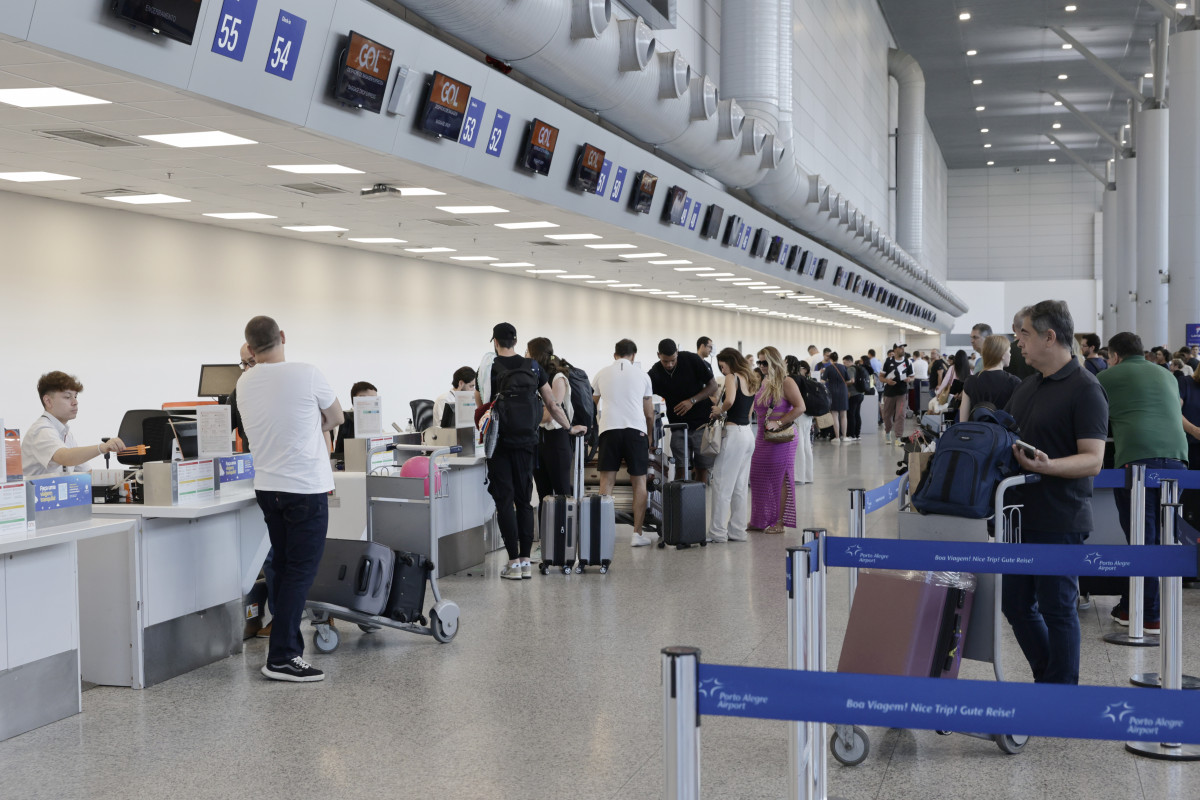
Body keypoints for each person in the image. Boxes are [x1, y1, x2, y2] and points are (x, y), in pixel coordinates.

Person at [1003, 300, 1107, 685]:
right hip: (1017, 515)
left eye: (1025, 335)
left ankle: (1061, 693)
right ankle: (1049, 680)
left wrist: (1047, 467)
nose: (1019, 345)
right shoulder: (1028, 386)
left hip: (1059, 516)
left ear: (1050, 336)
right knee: (1014, 604)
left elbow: (1092, 460)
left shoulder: (1086, 389)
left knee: (1057, 608)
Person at [236, 315, 344, 683]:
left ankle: (285, 647)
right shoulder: (307, 373)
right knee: (300, 571)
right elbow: (335, 417)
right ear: (282, 336)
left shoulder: (243, 382)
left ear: (249, 349)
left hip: (268, 488)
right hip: (304, 488)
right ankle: (282, 656)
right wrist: (313, 424)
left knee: (281, 567)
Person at [477, 323, 584, 580]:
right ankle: (526, 561)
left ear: (495, 342)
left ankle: (512, 562)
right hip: (528, 443)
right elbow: (553, 404)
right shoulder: (533, 367)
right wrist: (569, 427)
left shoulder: (489, 366)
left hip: (500, 444)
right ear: (515, 341)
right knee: (524, 501)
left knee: (505, 501)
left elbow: (484, 405)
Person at [1097, 331, 1188, 631]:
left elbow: (1090, 414)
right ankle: (1129, 606)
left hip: (1138, 460)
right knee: (1164, 539)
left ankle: (1148, 614)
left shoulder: (1109, 377)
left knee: (1140, 539)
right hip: (1177, 459)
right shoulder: (1167, 375)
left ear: (1114, 356)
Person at [592, 339, 655, 545]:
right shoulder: (643, 375)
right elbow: (649, 413)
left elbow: (591, 405)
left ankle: (602, 534)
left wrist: (594, 429)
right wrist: (650, 436)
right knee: (639, 482)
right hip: (636, 431)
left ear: (615, 354)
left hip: (609, 430)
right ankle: (637, 534)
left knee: (606, 482)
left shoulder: (601, 373)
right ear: (633, 355)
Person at [21, 371, 126, 478]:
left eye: (75, 396)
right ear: (48, 401)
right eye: (67, 397)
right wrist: (103, 447)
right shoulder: (41, 430)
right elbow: (64, 457)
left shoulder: (66, 434)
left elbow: (87, 473)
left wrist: (124, 479)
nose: (75, 402)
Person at [749, 347, 805, 533]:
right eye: (759, 362)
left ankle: (779, 522)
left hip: (782, 437)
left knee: (779, 479)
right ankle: (759, 519)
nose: (762, 366)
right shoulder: (765, 381)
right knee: (757, 476)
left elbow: (800, 407)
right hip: (763, 436)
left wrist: (779, 421)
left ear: (775, 362)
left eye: (765, 362)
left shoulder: (786, 381)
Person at [648, 338, 719, 484]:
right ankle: (679, 502)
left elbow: (713, 386)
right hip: (678, 426)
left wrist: (692, 401)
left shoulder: (691, 360)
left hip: (701, 424)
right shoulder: (655, 372)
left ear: (677, 353)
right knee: (680, 467)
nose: (669, 364)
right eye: (665, 361)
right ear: (658, 355)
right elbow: (644, 393)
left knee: (701, 468)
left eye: (673, 360)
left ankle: (699, 502)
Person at [707, 348, 760, 542]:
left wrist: (719, 410)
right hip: (747, 434)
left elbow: (729, 400)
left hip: (733, 434)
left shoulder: (732, 377)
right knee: (739, 487)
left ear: (730, 362)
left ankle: (717, 532)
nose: (722, 370)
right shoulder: (752, 379)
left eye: (722, 366)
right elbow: (749, 411)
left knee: (722, 484)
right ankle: (737, 531)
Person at [527, 337, 573, 502]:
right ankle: (545, 529)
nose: (524, 355)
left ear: (535, 355)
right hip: (539, 441)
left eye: (527, 351)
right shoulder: (534, 377)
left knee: (562, 493)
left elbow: (550, 414)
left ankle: (565, 528)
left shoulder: (557, 378)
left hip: (557, 440)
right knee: (543, 495)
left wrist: (528, 417)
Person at [958, 335, 1021, 422]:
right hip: (1003, 434)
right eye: (1009, 351)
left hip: (977, 434)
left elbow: (963, 421)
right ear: (1002, 354)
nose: (1010, 355)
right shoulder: (1014, 382)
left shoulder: (970, 381)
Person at [879, 345, 913, 446]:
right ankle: (888, 432)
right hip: (889, 393)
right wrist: (887, 381)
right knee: (887, 415)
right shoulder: (888, 361)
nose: (902, 349)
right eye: (900, 348)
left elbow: (912, 376)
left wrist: (909, 379)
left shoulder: (908, 362)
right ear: (895, 350)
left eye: (903, 347)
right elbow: (881, 377)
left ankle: (898, 437)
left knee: (900, 415)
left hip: (902, 393)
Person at [333, 381, 378, 454]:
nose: (374, 403)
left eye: (375, 400)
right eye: (370, 399)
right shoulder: (344, 419)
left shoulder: (375, 422)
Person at [794, 359, 815, 485]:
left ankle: (799, 476)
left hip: (800, 414)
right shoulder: (810, 381)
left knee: (800, 444)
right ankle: (808, 476)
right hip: (808, 415)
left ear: (805, 369)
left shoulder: (798, 381)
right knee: (806, 444)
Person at [822, 351, 850, 443]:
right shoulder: (843, 367)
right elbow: (848, 379)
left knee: (834, 415)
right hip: (843, 392)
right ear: (838, 358)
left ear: (830, 359)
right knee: (843, 415)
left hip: (832, 392)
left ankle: (837, 437)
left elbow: (823, 381)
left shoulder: (828, 368)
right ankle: (845, 436)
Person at [843, 355, 864, 441]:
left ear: (849, 361)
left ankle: (851, 434)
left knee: (851, 414)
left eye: (844, 362)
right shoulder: (858, 368)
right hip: (860, 394)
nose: (844, 364)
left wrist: (843, 383)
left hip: (853, 394)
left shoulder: (850, 369)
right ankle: (857, 434)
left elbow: (852, 380)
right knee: (857, 414)